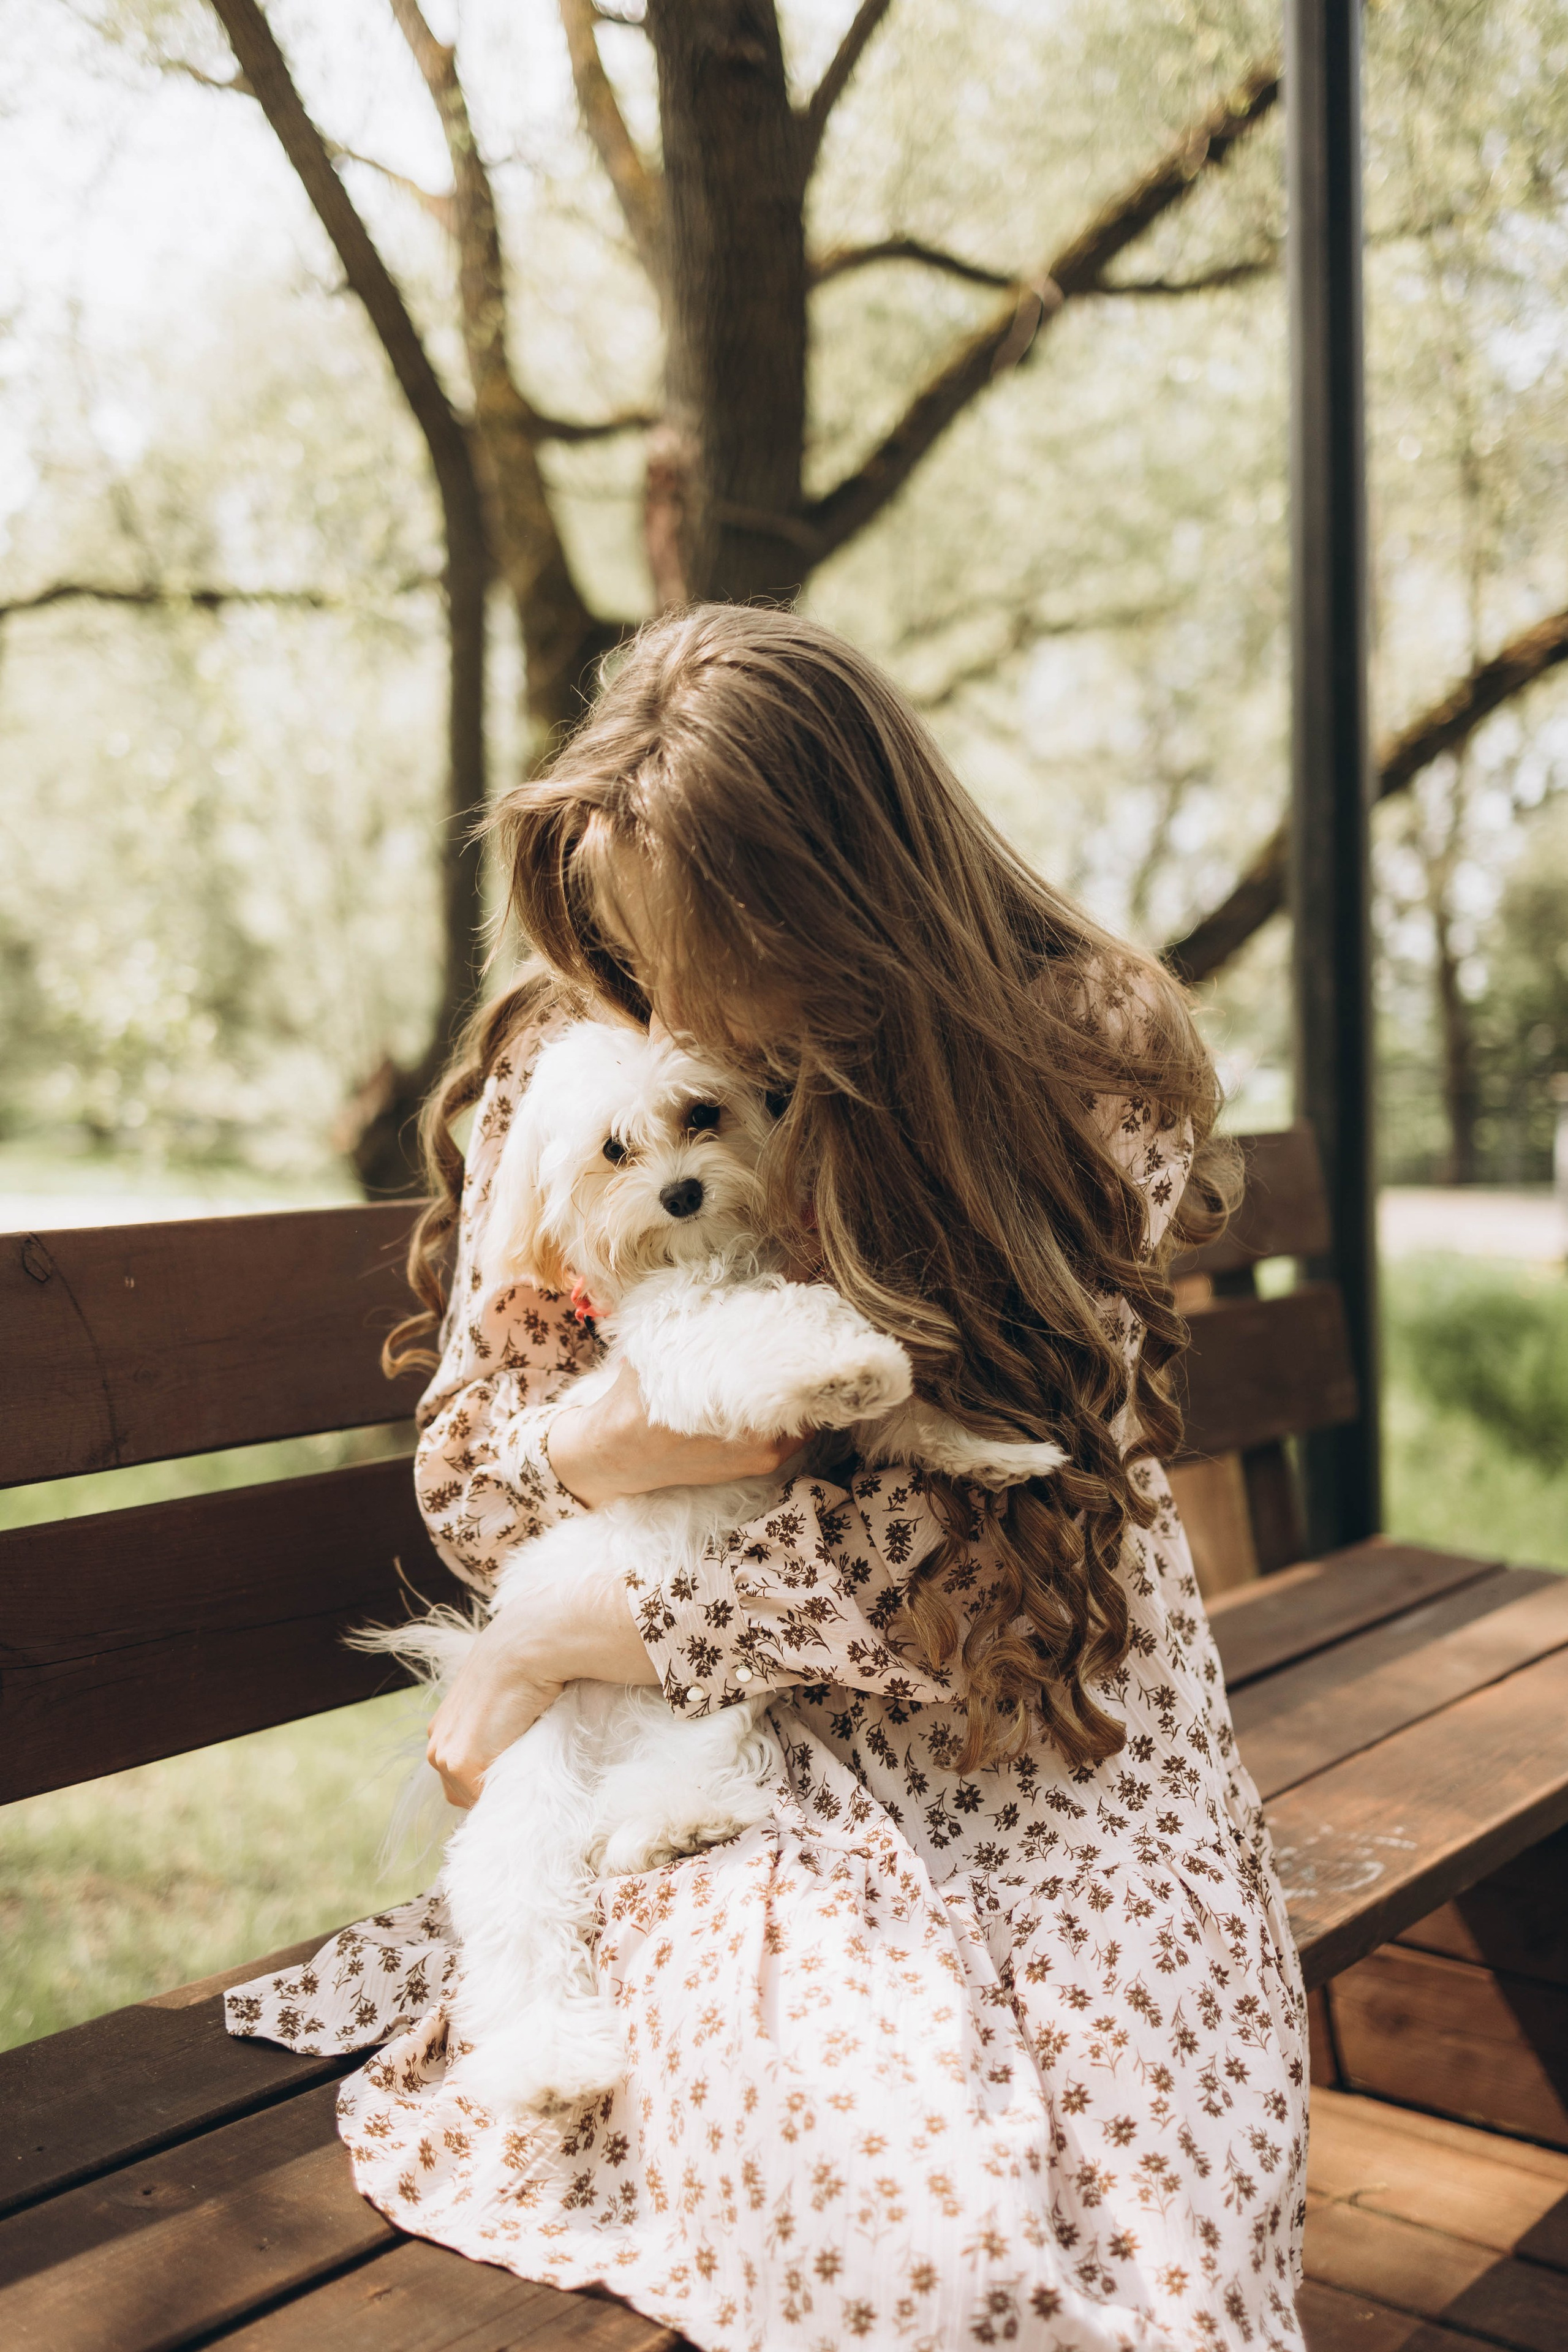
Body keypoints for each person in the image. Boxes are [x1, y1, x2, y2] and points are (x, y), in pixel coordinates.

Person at [226, 606, 1307, 2352]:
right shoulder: (578, 1056)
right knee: (919, 2246)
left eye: (716, 951)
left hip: (1040, 1724)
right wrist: (599, 1454)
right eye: (643, 955)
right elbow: (465, 1475)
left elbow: (982, 1549)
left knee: (1157, 2261)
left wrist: (573, 1619)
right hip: (728, 1765)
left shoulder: (1077, 1058)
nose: (686, 1009)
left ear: (850, 901)